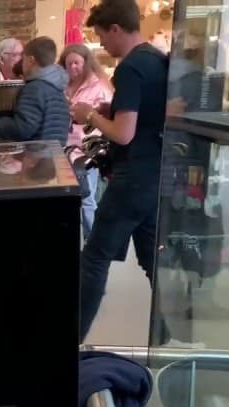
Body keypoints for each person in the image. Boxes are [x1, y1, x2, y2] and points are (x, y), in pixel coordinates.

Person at [72, 0, 169, 341]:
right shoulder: (157, 61)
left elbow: (123, 133)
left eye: (101, 36)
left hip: (131, 178)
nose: (101, 44)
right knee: (151, 259)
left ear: (116, 29)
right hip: (155, 173)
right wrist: (110, 108)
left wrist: (90, 115)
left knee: (95, 257)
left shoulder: (129, 68)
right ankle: (167, 329)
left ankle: (74, 336)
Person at [60, 43, 113, 237]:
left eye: (77, 63)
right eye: (69, 63)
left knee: (87, 197)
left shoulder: (99, 86)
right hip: (63, 148)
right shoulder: (62, 85)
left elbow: (108, 117)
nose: (73, 67)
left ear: (86, 63)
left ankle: (91, 239)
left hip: (85, 150)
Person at [0, 36, 71, 145]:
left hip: (38, 157)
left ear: (31, 61)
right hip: (55, 156)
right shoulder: (58, 88)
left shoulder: (35, 88)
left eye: (23, 59)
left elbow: (23, 128)